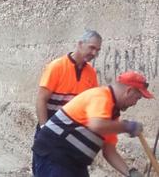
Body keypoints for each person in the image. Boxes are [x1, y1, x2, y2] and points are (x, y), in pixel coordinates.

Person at [32, 71, 153, 177]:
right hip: (54, 156)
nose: (135, 103)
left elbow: (109, 151)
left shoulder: (112, 116)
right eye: (137, 98)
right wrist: (127, 127)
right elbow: (96, 125)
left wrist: (130, 173)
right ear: (129, 91)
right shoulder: (101, 96)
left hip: (74, 162)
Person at [32, 30, 102, 174]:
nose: (94, 53)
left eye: (98, 50)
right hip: (51, 132)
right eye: (92, 47)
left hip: (73, 137)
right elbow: (41, 99)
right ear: (80, 44)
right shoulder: (56, 67)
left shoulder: (91, 73)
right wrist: (45, 128)